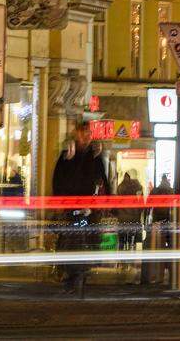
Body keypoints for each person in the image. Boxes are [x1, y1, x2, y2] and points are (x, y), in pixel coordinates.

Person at [51, 121, 112, 294]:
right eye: (84, 132)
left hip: (88, 205)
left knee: (90, 235)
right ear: (77, 133)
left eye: (89, 133)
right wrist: (59, 202)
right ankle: (70, 272)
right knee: (69, 238)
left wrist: (108, 201)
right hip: (70, 205)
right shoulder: (68, 154)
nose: (87, 136)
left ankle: (82, 271)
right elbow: (58, 179)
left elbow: (103, 178)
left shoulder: (95, 155)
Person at [115, 171, 144, 252]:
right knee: (132, 233)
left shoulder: (120, 187)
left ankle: (121, 248)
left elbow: (117, 202)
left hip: (122, 215)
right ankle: (132, 246)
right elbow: (141, 202)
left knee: (122, 234)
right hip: (133, 215)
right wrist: (140, 211)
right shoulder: (137, 187)